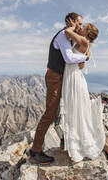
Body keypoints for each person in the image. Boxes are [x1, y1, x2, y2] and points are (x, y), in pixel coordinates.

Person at [28, 12, 88, 165]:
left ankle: (64, 141)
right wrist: (85, 58)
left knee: (64, 109)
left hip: (60, 77)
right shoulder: (62, 35)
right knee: (50, 113)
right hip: (55, 78)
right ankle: (35, 152)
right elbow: (68, 58)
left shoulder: (68, 37)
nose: (81, 26)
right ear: (72, 22)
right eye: (79, 23)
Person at [60, 20, 105, 162]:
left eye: (84, 27)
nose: (81, 27)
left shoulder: (84, 41)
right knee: (74, 108)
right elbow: (81, 62)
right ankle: (74, 143)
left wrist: (73, 25)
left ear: (88, 33)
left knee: (74, 109)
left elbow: (67, 32)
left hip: (73, 78)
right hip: (72, 75)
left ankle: (78, 144)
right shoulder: (85, 44)